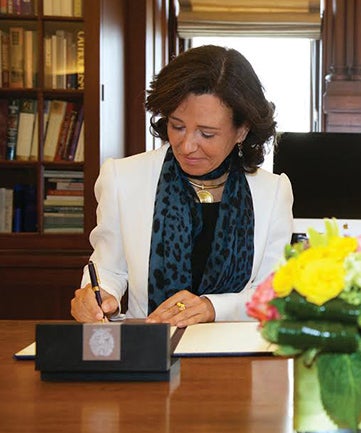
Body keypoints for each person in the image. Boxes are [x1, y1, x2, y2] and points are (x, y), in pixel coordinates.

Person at [70, 45, 293, 327]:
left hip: (235, 354)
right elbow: (108, 269)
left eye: (207, 133)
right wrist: (98, 297)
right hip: (148, 352)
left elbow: (273, 293)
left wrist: (212, 307)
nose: (187, 146)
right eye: (177, 126)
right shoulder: (122, 177)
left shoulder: (272, 192)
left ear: (242, 130)